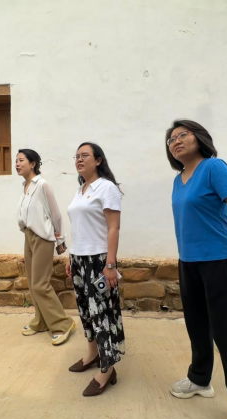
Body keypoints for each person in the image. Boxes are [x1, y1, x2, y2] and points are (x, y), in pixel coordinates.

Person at [165, 119, 227, 419]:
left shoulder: (213, 167)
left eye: (183, 134)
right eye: (171, 139)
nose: (176, 140)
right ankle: (200, 379)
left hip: (221, 262)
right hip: (189, 263)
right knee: (197, 326)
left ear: (200, 138)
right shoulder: (179, 179)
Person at [65, 142, 125, 397]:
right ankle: (92, 354)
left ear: (98, 160)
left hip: (99, 260)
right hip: (79, 259)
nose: (79, 159)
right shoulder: (80, 190)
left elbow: (113, 228)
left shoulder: (106, 188)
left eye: (85, 155)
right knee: (85, 310)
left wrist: (110, 265)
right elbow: (79, 227)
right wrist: (71, 256)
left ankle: (107, 368)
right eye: (77, 156)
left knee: (102, 313)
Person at [15, 149, 75, 345]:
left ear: (33, 163)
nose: (17, 164)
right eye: (16, 161)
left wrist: (60, 240)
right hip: (29, 235)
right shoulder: (25, 186)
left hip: (43, 237)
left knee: (40, 284)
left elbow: (55, 214)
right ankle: (40, 321)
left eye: (21, 160)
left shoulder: (42, 185)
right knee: (33, 282)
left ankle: (63, 324)